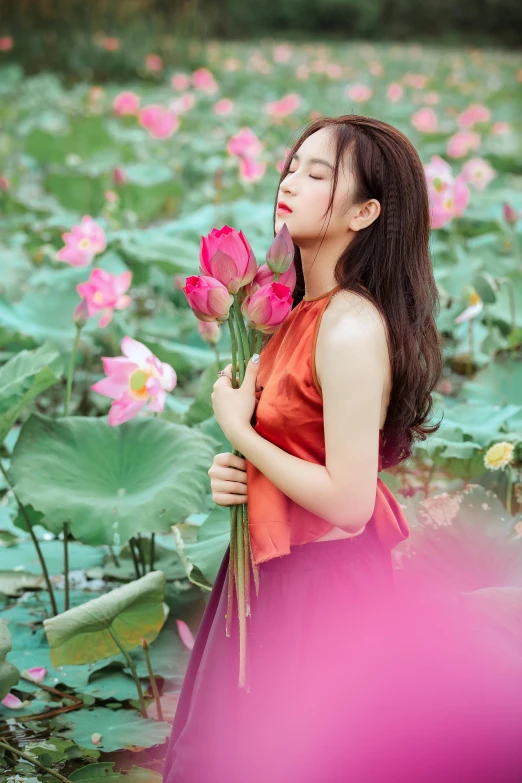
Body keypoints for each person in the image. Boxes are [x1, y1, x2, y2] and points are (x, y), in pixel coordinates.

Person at [162, 115, 521, 782]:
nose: (290, 181)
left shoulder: (353, 326)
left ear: (366, 211)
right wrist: (240, 471)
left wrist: (239, 431)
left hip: (319, 592)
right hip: (267, 577)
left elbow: (350, 502)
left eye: (318, 172)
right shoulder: (297, 310)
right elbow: (301, 446)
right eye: (294, 164)